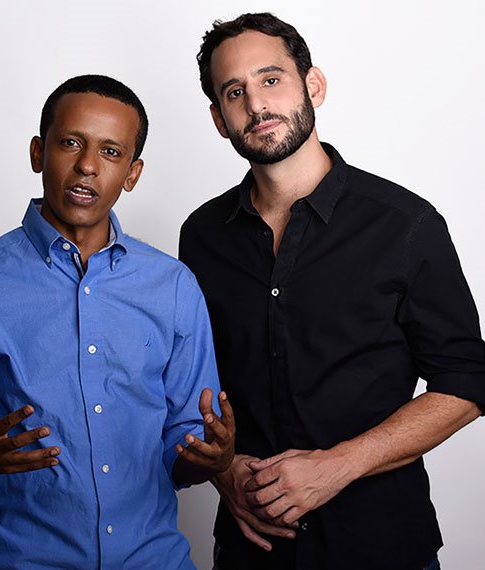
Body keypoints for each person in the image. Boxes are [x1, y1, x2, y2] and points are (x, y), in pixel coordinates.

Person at [179, 12, 485, 570]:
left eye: (271, 79)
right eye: (234, 92)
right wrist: (224, 471)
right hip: (251, 551)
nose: (257, 104)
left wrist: (339, 465)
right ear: (219, 119)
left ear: (313, 86)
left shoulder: (405, 225)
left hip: (382, 548)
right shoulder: (200, 236)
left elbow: (466, 380)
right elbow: (188, 380)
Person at [0, 74, 235, 569]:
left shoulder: (173, 286)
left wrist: (212, 458)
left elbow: (184, 441)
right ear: (38, 153)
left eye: (111, 151)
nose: (87, 165)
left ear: (132, 173)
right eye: (70, 143)